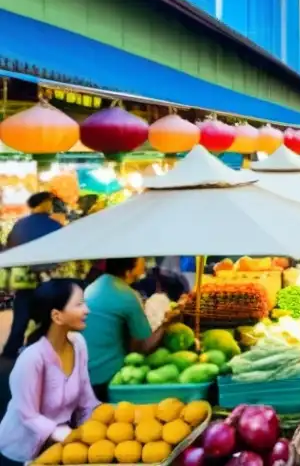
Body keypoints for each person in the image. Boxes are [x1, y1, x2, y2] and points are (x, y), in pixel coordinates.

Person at [0, 280, 100, 464]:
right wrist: (62, 433)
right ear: (57, 316)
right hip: (19, 451)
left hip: (56, 447)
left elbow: (86, 400)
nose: (87, 310)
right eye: (79, 304)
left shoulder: (78, 344)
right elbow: (27, 414)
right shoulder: (32, 358)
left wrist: (99, 428)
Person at [81, 258, 172, 401]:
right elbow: (142, 347)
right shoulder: (126, 295)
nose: (144, 260)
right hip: (107, 378)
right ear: (131, 266)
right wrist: (168, 323)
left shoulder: (93, 287)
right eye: (141, 258)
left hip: (84, 375)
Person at [2, 192, 63, 359]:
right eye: (50, 202)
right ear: (44, 203)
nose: (51, 206)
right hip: (47, 278)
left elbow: (10, 246)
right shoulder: (53, 226)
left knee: (20, 318)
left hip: (23, 277)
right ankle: (43, 350)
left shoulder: (19, 225)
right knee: (49, 318)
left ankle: (10, 353)